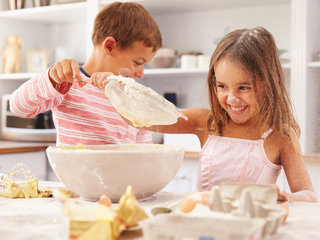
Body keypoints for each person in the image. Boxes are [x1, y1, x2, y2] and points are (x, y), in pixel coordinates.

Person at [92, 27, 317, 202]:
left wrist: (286, 197)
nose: (232, 98)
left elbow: (308, 194)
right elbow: (140, 118)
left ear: (269, 84)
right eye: (222, 86)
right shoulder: (206, 123)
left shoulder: (280, 136)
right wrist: (113, 89)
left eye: (243, 87)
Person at [10, 2, 162, 146]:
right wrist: (51, 78)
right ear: (110, 47)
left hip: (121, 174)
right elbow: (18, 107)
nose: (141, 74)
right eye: (137, 63)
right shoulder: (67, 84)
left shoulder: (133, 98)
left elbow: (144, 151)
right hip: (75, 174)